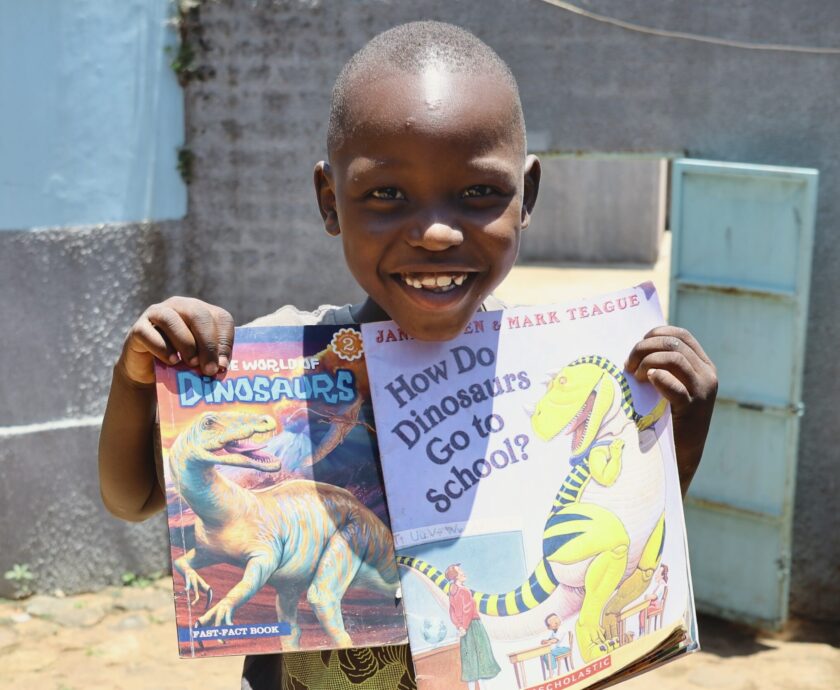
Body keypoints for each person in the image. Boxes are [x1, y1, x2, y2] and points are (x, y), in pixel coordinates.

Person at [98, 20, 718, 690]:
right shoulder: (278, 371)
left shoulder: (549, 384)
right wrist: (136, 380)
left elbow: (606, 553)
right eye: (386, 195)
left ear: (527, 196)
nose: (436, 231)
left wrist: (675, 441)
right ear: (330, 202)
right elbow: (131, 497)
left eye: (479, 192)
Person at [445, 564, 501, 689]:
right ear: (455, 576)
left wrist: (459, 626)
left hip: (463, 629)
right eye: (460, 572)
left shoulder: (452, 591)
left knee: (470, 659)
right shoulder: (464, 590)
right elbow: (467, 610)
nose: (463, 573)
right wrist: (463, 626)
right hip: (473, 626)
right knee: (482, 658)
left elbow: (452, 612)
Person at [639, 563, 669, 635]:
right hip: (653, 605)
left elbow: (655, 596)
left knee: (643, 612)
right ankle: (642, 630)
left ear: (662, 576)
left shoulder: (662, 585)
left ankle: (642, 632)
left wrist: (648, 596)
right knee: (642, 611)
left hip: (656, 606)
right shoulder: (659, 585)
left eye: (658, 573)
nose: (656, 575)